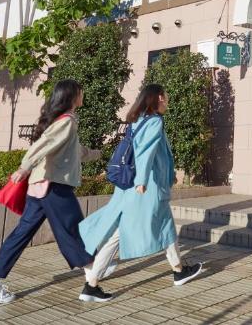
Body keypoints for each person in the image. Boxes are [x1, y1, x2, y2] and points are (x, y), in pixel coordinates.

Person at [0, 78, 107, 304]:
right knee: (76, 234)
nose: (82, 95)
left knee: (21, 235)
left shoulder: (61, 121)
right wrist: (24, 167)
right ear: (73, 96)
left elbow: (77, 152)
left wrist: (101, 154)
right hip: (54, 188)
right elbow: (44, 145)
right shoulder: (66, 122)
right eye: (81, 92)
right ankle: (91, 284)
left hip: (40, 188)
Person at [79, 84, 203, 298]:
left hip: (135, 187)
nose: (168, 101)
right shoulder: (154, 121)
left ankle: (179, 271)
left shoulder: (138, 120)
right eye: (167, 97)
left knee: (163, 228)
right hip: (146, 190)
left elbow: (155, 154)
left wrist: (168, 174)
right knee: (120, 234)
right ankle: (91, 284)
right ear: (160, 98)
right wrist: (143, 180)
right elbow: (146, 152)